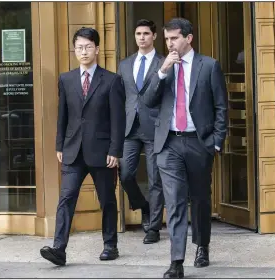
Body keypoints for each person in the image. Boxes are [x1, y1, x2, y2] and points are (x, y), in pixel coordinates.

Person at [141, 18, 227, 278]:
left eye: (175, 38)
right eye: (167, 39)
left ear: (188, 38)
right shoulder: (160, 65)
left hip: (199, 142)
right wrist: (163, 71)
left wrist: (216, 141)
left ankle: (202, 245)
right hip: (169, 143)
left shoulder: (208, 66)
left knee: (200, 198)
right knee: (175, 200)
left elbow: (221, 107)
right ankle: (176, 261)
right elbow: (147, 101)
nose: (170, 43)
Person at [40, 27, 126, 266]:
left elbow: (119, 119)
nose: (84, 51)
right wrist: (60, 145)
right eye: (79, 47)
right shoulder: (66, 79)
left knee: (107, 199)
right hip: (72, 150)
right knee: (66, 198)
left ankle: (110, 245)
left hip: (102, 152)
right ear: (74, 50)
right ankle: (59, 249)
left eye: (88, 47)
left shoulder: (112, 80)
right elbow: (62, 116)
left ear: (97, 49)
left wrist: (115, 150)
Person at [117, 19, 164, 244]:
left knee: (156, 179)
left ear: (154, 36)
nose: (142, 37)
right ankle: (142, 205)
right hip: (129, 128)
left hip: (155, 127)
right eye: (138, 33)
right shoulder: (124, 65)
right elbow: (122, 98)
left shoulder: (164, 63)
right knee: (125, 174)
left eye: (146, 33)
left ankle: (154, 227)